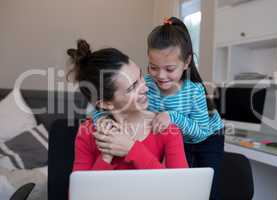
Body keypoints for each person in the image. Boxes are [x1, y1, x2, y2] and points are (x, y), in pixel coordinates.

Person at [92, 17, 224, 200]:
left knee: (207, 188)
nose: (160, 76)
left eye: (170, 69)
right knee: (182, 180)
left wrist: (172, 117)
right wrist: (102, 119)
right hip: (177, 137)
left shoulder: (194, 91)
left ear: (186, 63)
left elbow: (200, 132)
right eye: (153, 67)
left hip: (207, 138)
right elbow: (108, 103)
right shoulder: (144, 84)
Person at [67, 39, 188, 171]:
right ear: (106, 103)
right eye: (132, 87)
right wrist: (106, 156)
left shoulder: (166, 128)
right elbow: (80, 191)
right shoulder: (88, 132)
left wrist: (132, 149)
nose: (145, 88)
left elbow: (180, 188)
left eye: (141, 77)